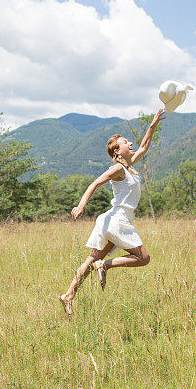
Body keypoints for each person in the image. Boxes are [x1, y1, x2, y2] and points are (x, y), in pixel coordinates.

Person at [59, 109, 166, 316]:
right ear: (117, 152)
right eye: (126, 142)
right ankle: (105, 265)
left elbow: (144, 145)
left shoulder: (129, 166)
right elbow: (95, 183)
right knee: (143, 258)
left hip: (111, 221)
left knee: (90, 261)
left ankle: (68, 295)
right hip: (118, 220)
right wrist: (81, 206)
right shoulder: (117, 169)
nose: (131, 144)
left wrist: (153, 124)